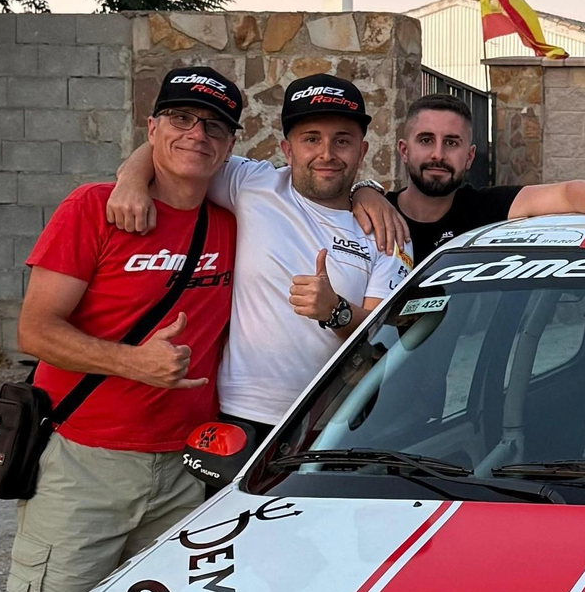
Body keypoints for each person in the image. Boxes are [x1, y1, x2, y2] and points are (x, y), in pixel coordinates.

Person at [2, 67, 241, 592]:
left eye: (214, 125)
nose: (197, 135)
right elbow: (35, 329)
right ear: (152, 126)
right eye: (181, 118)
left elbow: (314, 185)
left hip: (187, 473)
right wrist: (135, 363)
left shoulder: (235, 225)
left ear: (231, 145)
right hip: (84, 466)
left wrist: (367, 193)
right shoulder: (92, 209)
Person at [108, 74, 410, 441]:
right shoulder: (250, 184)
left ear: (362, 151)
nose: (327, 154)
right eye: (311, 139)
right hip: (240, 417)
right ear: (287, 150)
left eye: (342, 141)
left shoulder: (388, 233)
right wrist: (131, 182)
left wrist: (335, 310)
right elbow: (171, 154)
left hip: (338, 420)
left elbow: (386, 336)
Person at [349, 92, 585, 261]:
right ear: (403, 149)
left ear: (470, 156)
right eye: (426, 140)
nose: (438, 154)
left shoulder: (484, 209)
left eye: (451, 142)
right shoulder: (372, 214)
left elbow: (566, 193)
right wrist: (363, 192)